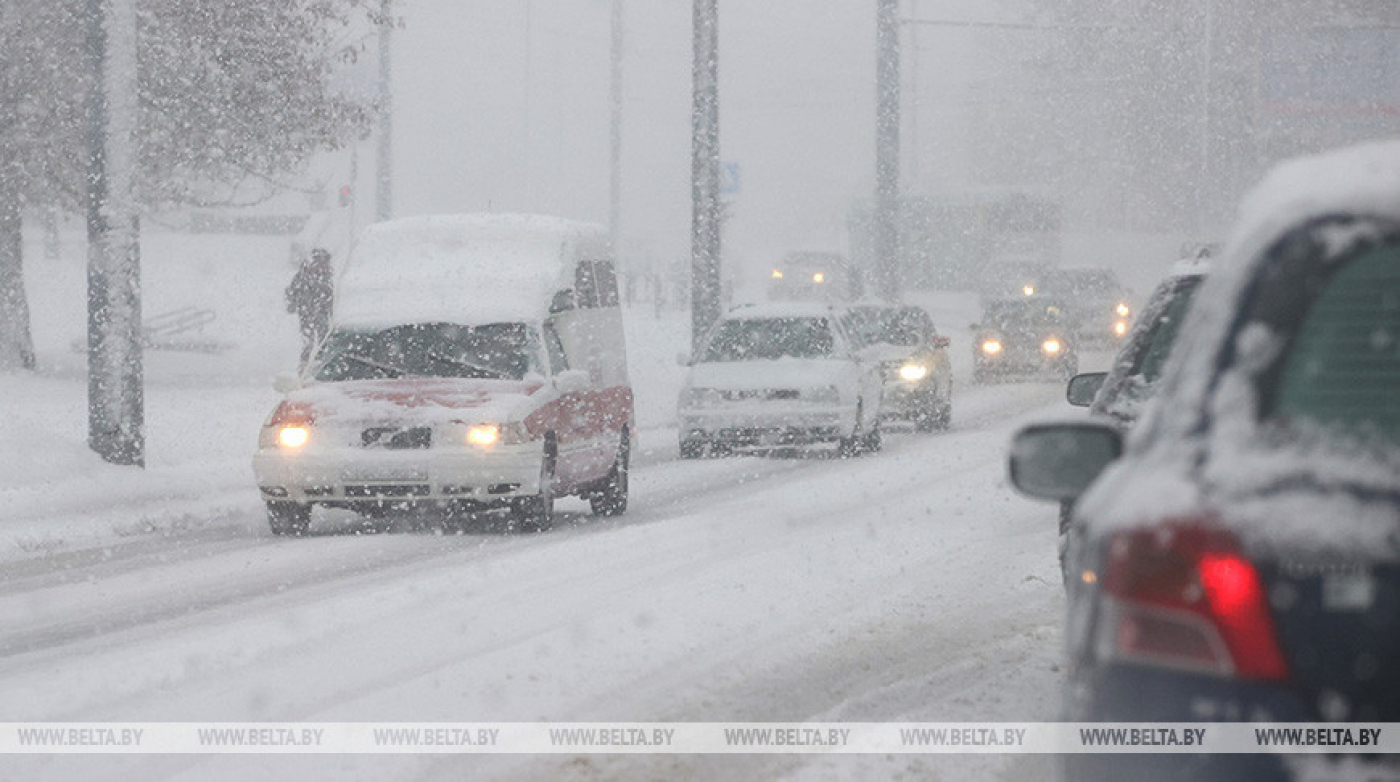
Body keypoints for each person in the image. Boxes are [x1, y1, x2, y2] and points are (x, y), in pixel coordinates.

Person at [285, 248, 334, 369]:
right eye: (318, 260)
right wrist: (293, 303)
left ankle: (318, 364)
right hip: (307, 311)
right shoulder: (304, 275)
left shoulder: (326, 276)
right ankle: (306, 366)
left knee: (323, 339)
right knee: (310, 342)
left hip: (319, 311)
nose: (321, 264)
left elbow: (331, 296)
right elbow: (292, 290)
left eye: (324, 260)